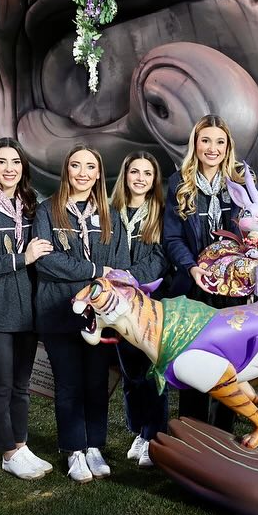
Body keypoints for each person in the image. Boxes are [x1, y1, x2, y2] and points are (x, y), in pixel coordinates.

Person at [0, 138, 54, 480]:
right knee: (1, 383)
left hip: (26, 310)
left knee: (21, 384)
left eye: (15, 162)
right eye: (2, 162)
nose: (9, 168)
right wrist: (22, 258)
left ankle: (21, 443)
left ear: (23, 168)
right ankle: (6, 451)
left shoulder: (31, 206)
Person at [34, 145, 117, 482]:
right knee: (68, 384)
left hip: (98, 314)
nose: (83, 173)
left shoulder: (109, 215)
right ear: (66, 170)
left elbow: (118, 264)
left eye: (90, 167)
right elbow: (45, 262)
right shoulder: (47, 211)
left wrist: (99, 274)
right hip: (59, 311)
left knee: (96, 382)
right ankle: (73, 449)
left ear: (98, 174)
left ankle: (94, 445)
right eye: (76, 166)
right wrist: (94, 269)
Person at [161, 115, 246, 429]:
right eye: (205, 140)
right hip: (195, 286)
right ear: (195, 144)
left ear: (228, 147)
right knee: (194, 364)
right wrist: (192, 267)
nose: (212, 148)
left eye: (219, 142)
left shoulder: (240, 183)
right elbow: (172, 237)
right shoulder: (178, 183)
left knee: (229, 364)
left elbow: (254, 229)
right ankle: (193, 433)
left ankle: (224, 434)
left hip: (232, 291)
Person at [110, 151, 171, 467]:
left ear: (154, 179)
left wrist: (129, 277)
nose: (141, 178)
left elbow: (160, 257)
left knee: (152, 372)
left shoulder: (161, 213)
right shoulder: (110, 211)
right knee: (130, 372)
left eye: (148, 173)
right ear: (125, 175)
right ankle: (138, 430)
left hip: (149, 306)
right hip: (119, 307)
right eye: (135, 172)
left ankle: (154, 434)